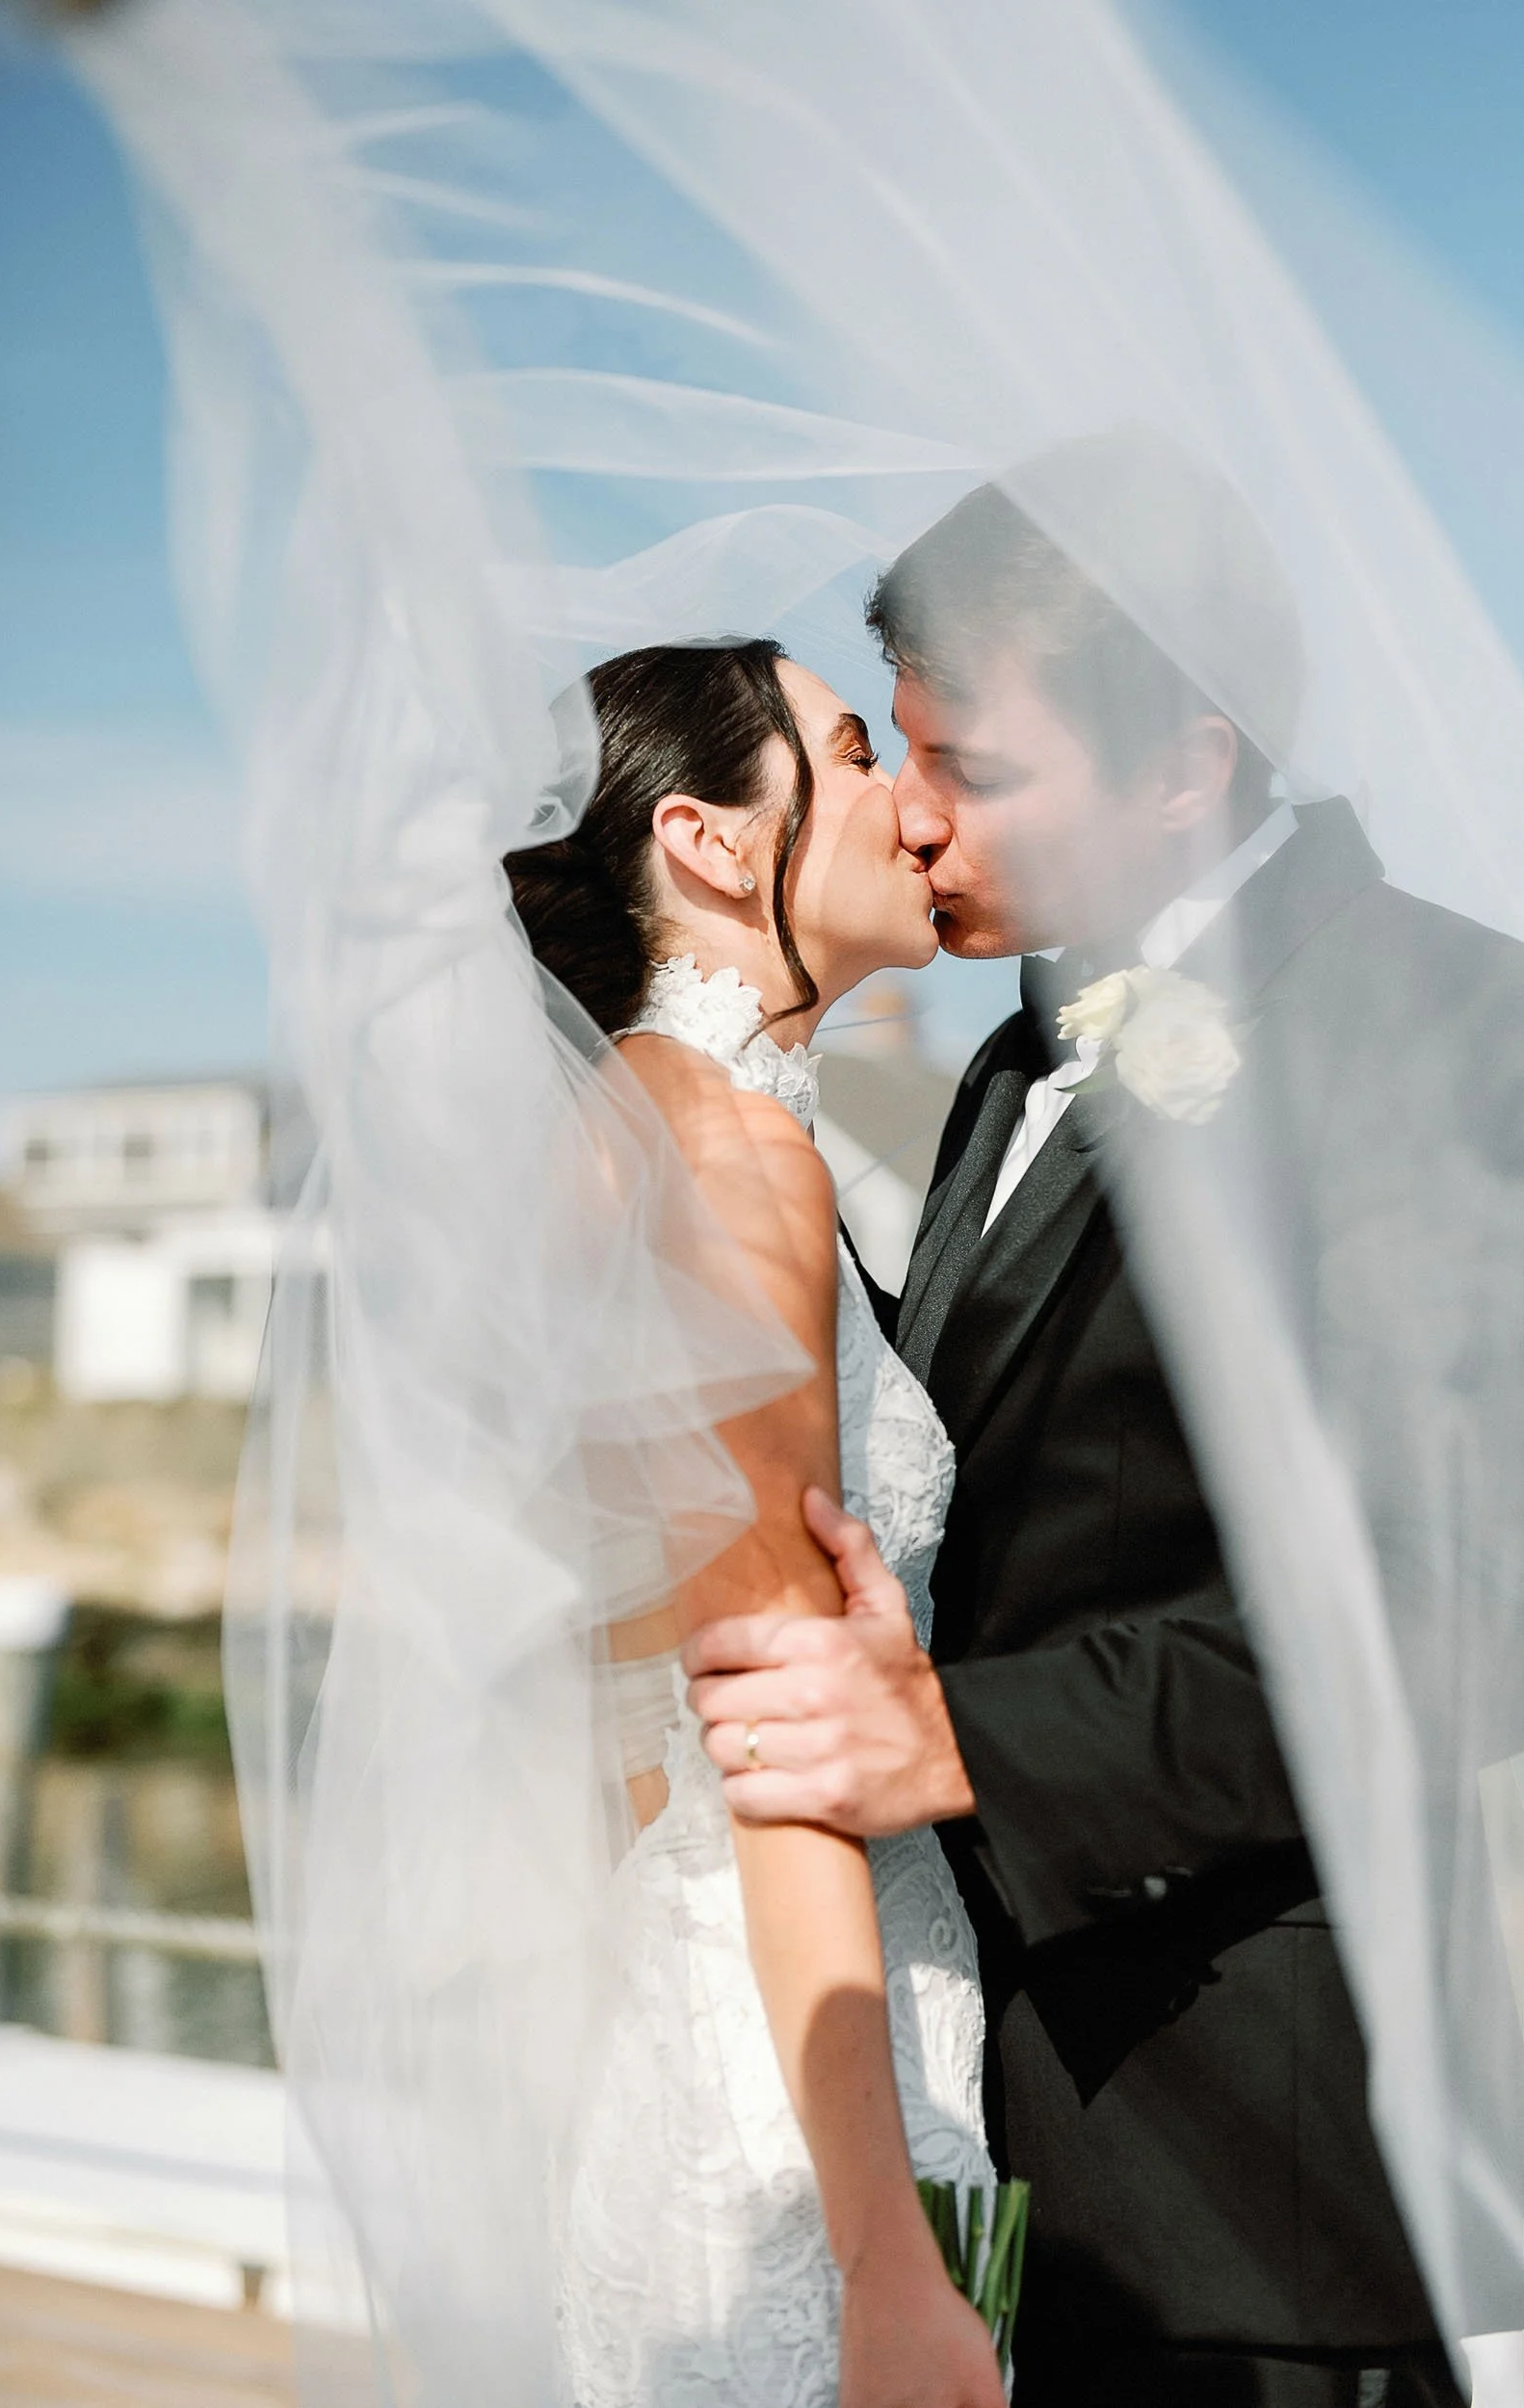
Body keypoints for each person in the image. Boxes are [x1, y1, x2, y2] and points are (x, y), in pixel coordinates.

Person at [686, 446, 1500, 2407]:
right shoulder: (1005, 1055)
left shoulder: (1451, 1026)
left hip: (1248, 2186)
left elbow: (1446, 1602)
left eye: (976, 766)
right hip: (981, 2138)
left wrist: (954, 1734)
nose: (907, 811)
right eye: (906, 748)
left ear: (1180, 766)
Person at [506, 636, 1006, 2408]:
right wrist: (884, 2258)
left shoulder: (613, 1140)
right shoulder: (728, 1159)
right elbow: (772, 1735)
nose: (909, 803)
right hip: (817, 2061)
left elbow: (618, 1713)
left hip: (690, 1997)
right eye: (857, 750)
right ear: (715, 844)